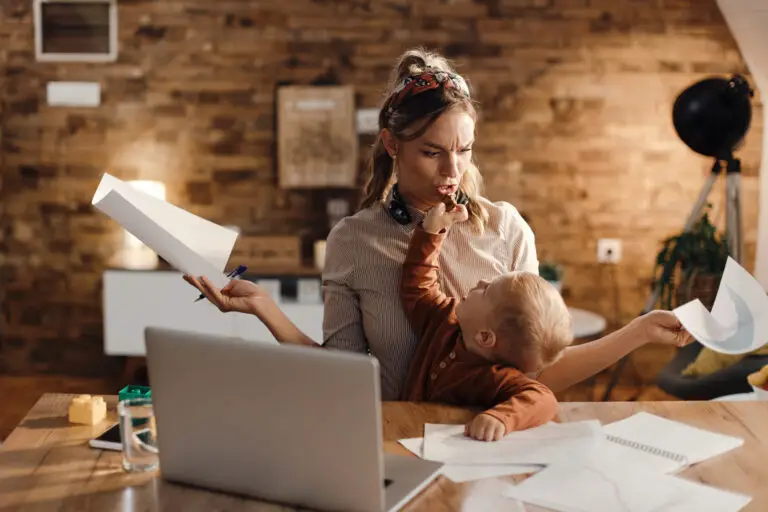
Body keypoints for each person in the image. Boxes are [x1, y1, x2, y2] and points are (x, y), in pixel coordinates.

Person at [185, 47, 693, 401]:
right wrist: (266, 311)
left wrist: (639, 331)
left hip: (491, 447)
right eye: (432, 153)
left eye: (464, 150)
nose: (453, 171)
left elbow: (540, 371)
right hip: (392, 440)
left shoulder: (507, 228)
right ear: (392, 145)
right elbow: (342, 376)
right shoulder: (354, 240)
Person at [399, 200, 572, 441]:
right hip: (408, 429)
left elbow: (544, 400)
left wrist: (501, 418)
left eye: (487, 290)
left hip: (455, 449)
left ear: (485, 337)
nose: (480, 282)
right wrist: (430, 232)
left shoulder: (494, 377)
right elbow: (418, 287)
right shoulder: (444, 319)